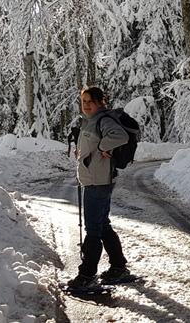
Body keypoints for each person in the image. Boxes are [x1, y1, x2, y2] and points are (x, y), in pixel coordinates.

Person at [67, 86, 134, 289]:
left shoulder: (103, 120)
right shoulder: (91, 121)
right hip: (95, 180)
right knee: (103, 225)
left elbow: (120, 136)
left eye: (90, 101)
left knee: (93, 230)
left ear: (100, 102)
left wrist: (104, 147)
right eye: (84, 101)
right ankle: (118, 267)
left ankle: (87, 276)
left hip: (99, 182)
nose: (86, 105)